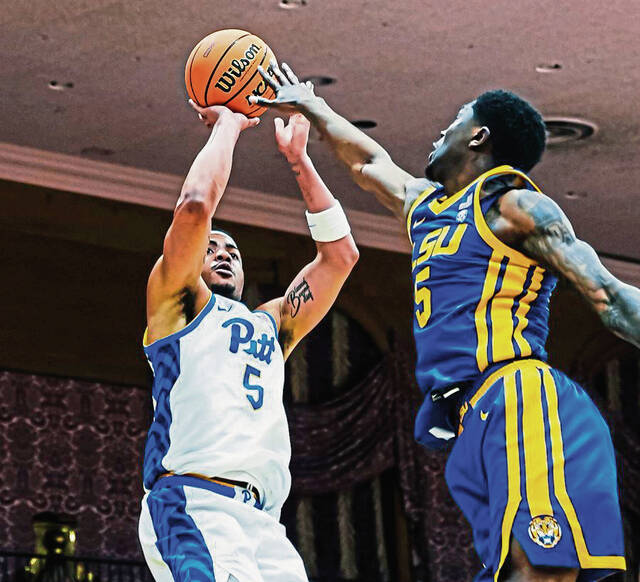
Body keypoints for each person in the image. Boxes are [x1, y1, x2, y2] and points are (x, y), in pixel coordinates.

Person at [250, 64, 640, 581]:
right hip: (470, 419)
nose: (439, 132)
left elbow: (608, 295)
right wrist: (311, 105)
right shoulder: (429, 208)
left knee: (540, 571)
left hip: (517, 392)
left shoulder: (516, 206)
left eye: (454, 120)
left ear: (478, 135)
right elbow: (368, 163)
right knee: (511, 570)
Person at [138, 101, 359, 582]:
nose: (222, 253)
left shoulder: (272, 325)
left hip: (263, 522)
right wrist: (229, 125)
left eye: (233, 251)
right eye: (211, 247)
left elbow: (340, 256)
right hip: (194, 503)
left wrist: (301, 163)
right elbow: (196, 207)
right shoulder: (177, 306)